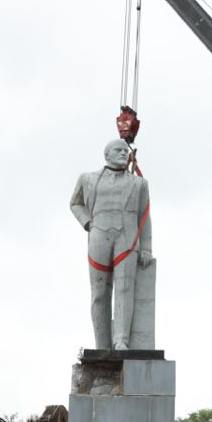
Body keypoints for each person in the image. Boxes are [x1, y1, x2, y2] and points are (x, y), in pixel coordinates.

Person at [70, 139, 154, 350]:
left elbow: (145, 216)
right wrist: (87, 222)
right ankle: (102, 343)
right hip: (99, 236)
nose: (124, 153)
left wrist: (146, 247)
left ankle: (121, 339)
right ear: (106, 155)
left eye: (126, 151)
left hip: (127, 238)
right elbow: (75, 203)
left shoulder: (139, 184)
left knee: (125, 288)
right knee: (99, 292)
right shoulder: (87, 179)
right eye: (118, 150)